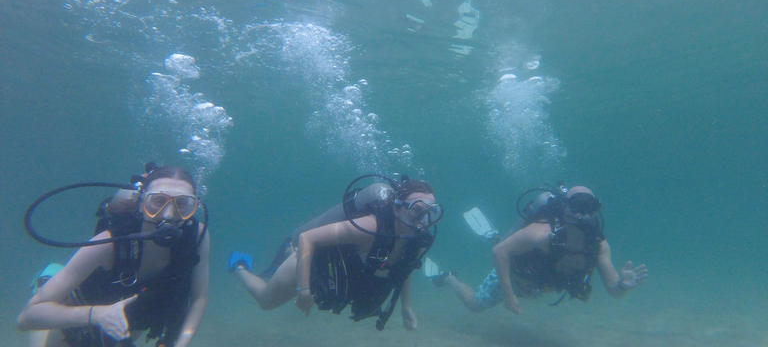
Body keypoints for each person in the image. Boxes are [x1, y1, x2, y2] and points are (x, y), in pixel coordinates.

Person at [18, 165, 210, 347]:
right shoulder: (108, 243)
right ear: (142, 202)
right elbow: (27, 318)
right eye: (158, 201)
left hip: (126, 321)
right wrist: (97, 314)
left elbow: (199, 298)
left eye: (182, 204)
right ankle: (47, 281)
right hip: (76, 317)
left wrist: (182, 343)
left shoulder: (197, 236)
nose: (168, 215)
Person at [231, 177, 442, 331]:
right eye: (417, 210)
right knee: (266, 301)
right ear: (397, 209)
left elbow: (405, 268)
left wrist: (407, 307)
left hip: (332, 266)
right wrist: (303, 290)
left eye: (431, 213)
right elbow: (307, 238)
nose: (423, 221)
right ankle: (240, 265)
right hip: (312, 259)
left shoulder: (417, 240)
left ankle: (286, 250)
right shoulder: (371, 227)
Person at [430, 186, 647, 313]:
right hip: (516, 279)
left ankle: (500, 238)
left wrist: (623, 285)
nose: (583, 214)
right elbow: (500, 254)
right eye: (577, 206)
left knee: (508, 245)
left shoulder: (597, 243)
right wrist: (508, 294)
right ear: (564, 206)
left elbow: (614, 290)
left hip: (541, 284)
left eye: (590, 208)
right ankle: (449, 278)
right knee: (476, 304)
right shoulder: (542, 232)